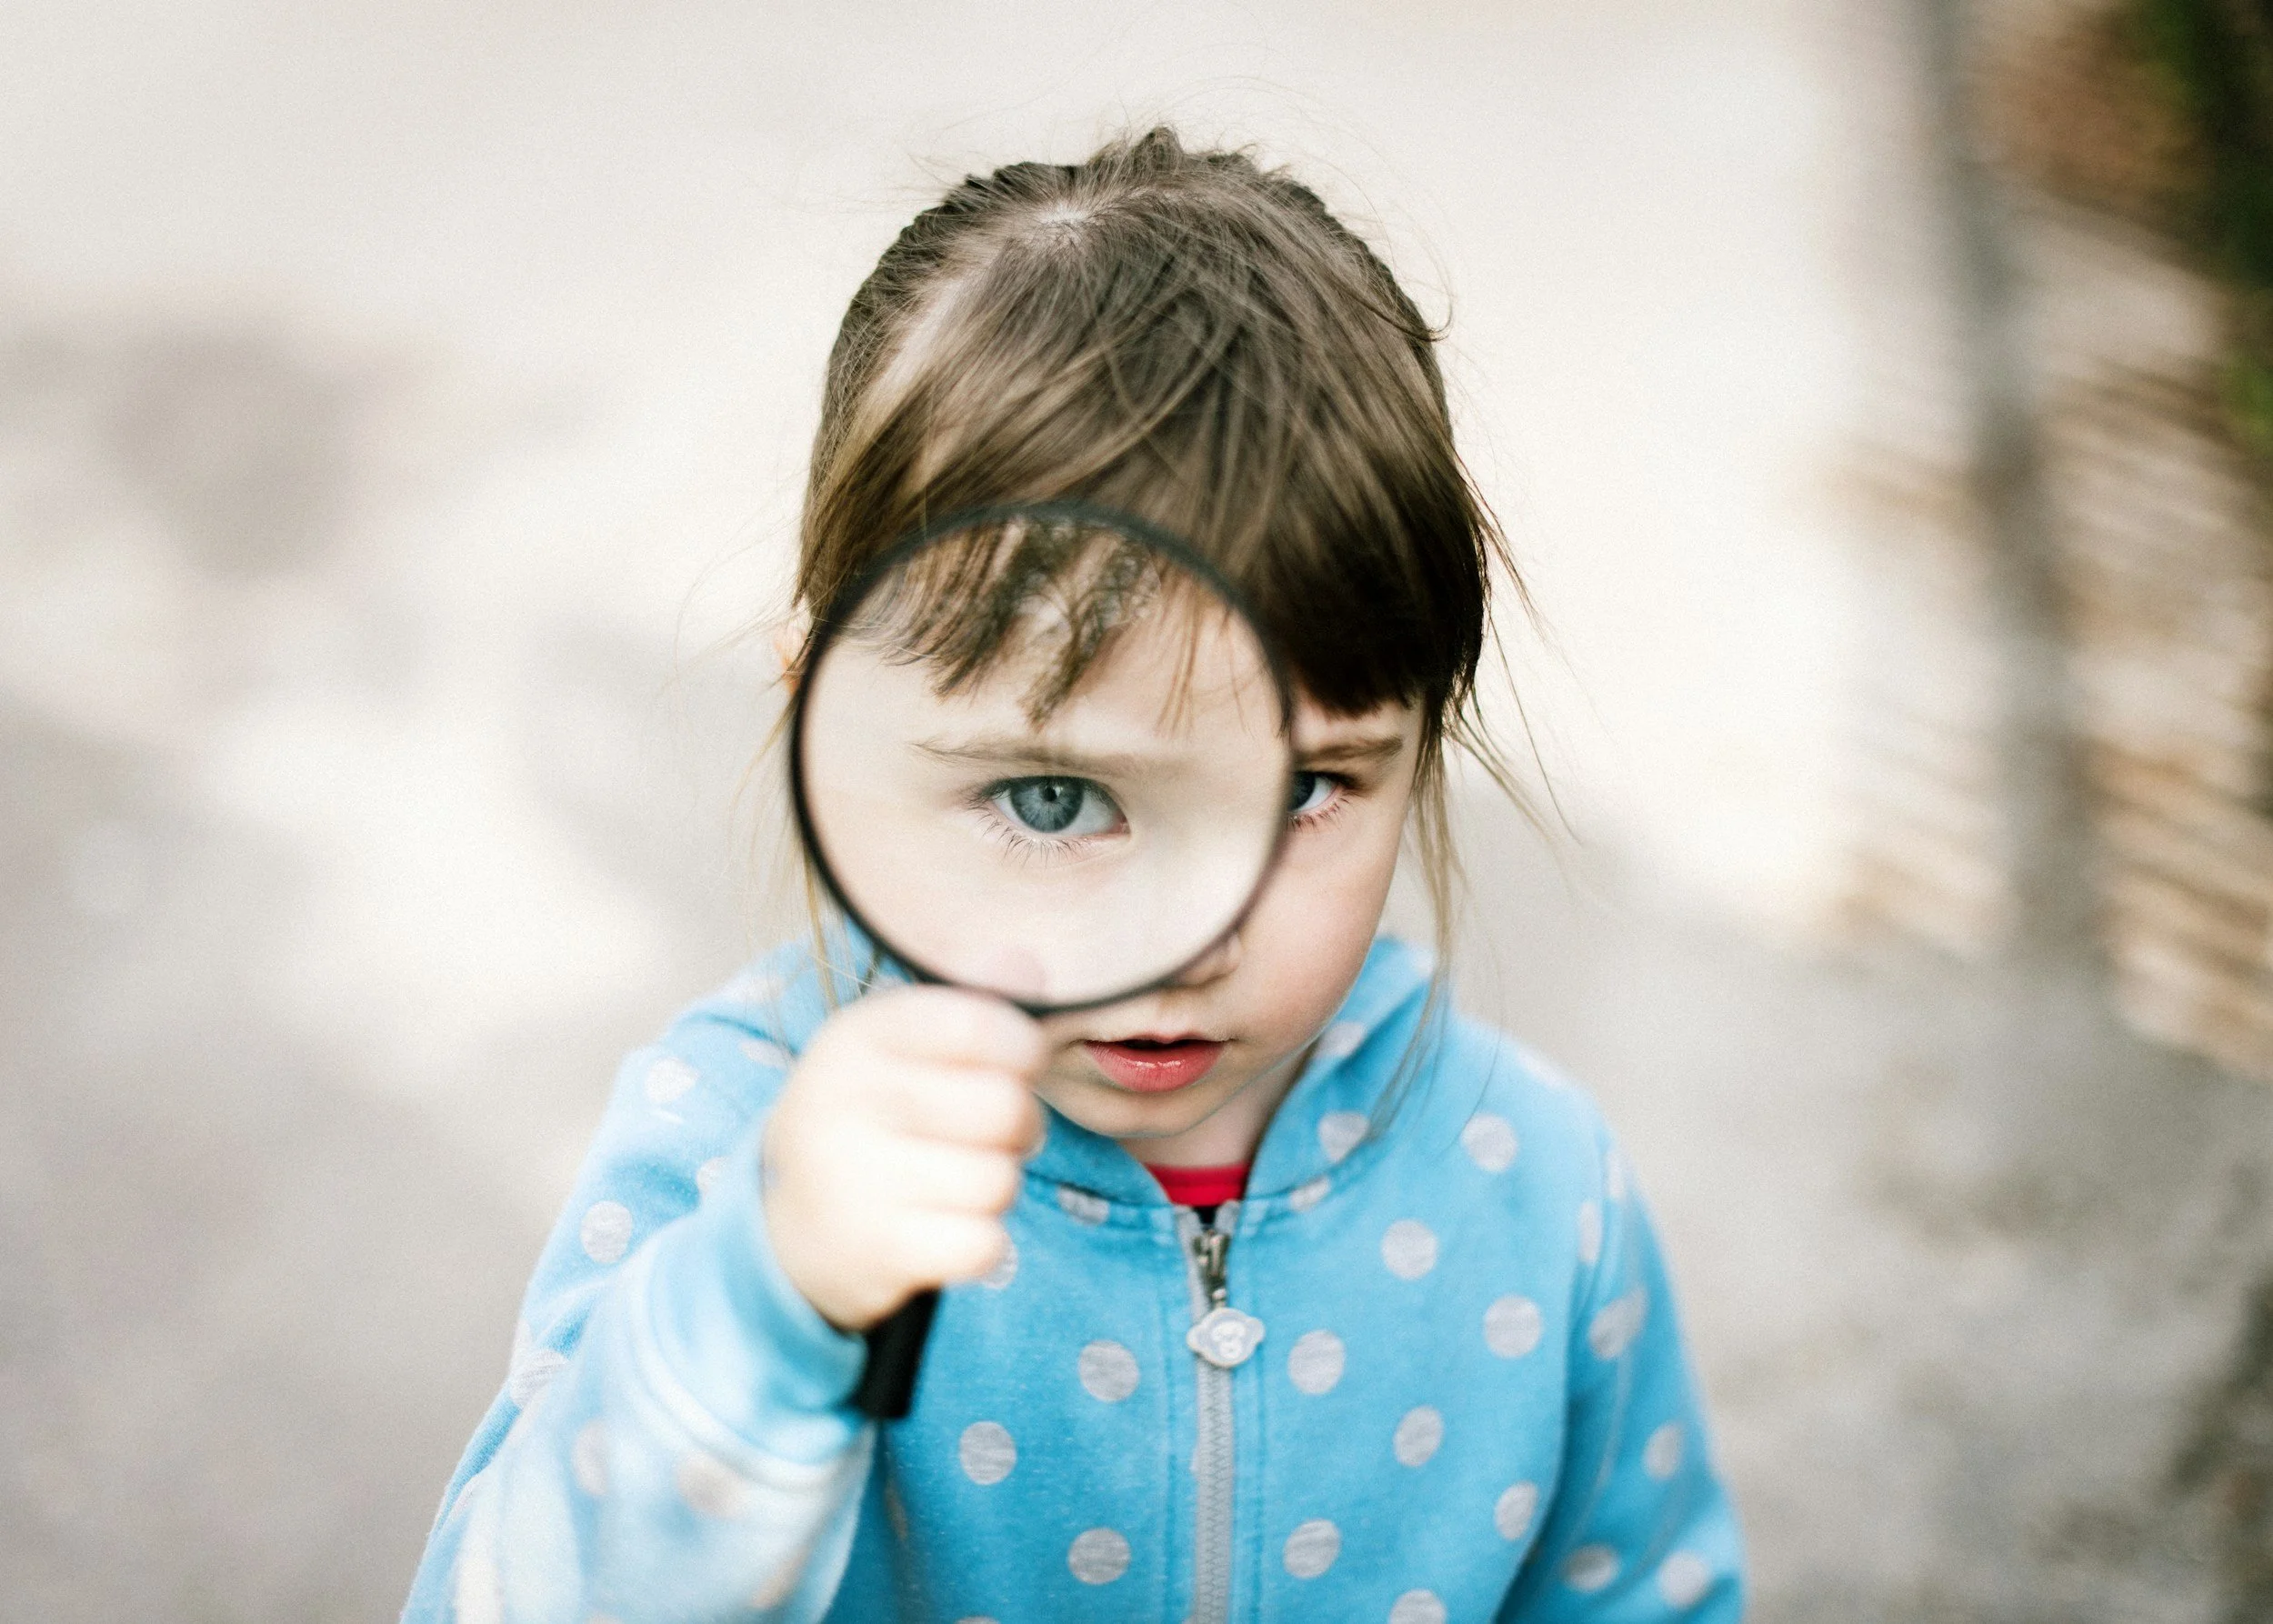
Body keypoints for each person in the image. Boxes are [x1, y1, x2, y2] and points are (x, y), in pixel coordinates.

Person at [403, 126, 1745, 1623]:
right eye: (1054, 798)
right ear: (815, 717)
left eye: (1305, 789)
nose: (1183, 935)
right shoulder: (735, 1148)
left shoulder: (1536, 1187)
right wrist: (758, 1327)